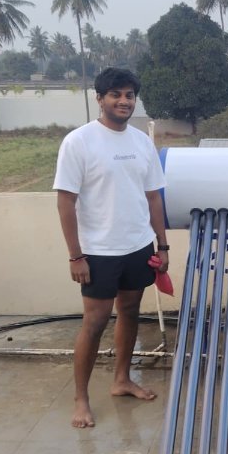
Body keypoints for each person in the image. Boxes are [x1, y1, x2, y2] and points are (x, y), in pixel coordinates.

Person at [53, 67, 169, 427]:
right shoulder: (79, 142)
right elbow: (65, 202)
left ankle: (122, 380)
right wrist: (76, 255)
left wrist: (162, 245)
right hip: (98, 251)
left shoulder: (141, 142)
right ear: (100, 98)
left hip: (137, 246)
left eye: (129, 95)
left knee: (130, 311)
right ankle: (81, 399)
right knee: (95, 322)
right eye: (115, 94)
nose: (124, 101)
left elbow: (153, 198)